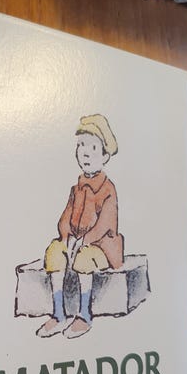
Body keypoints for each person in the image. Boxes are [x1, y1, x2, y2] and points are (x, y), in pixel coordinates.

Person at [37, 114, 124, 339]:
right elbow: (65, 217)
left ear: (105, 155)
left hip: (101, 246)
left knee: (84, 259)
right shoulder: (76, 188)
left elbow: (105, 224)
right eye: (81, 145)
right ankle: (59, 314)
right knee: (54, 252)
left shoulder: (108, 189)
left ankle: (84, 315)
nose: (85, 152)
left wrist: (84, 241)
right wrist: (66, 237)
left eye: (93, 147)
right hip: (75, 241)